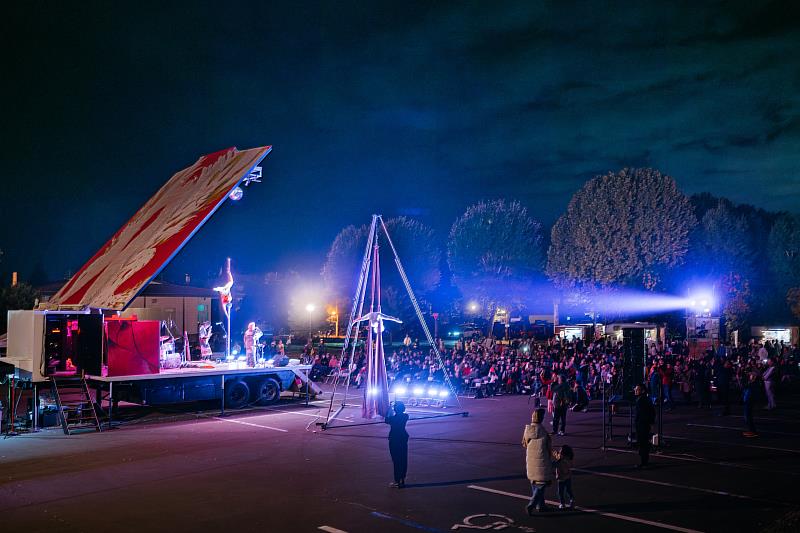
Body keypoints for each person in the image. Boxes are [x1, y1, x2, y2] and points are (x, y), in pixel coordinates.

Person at [523, 408, 555, 514]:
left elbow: (524, 444)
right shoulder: (544, 433)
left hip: (531, 460)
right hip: (542, 461)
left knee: (534, 483)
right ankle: (532, 504)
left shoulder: (528, 430)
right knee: (541, 485)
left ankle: (540, 506)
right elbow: (548, 449)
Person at [385, 401, 409, 488]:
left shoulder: (393, 419)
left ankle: (397, 481)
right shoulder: (406, 416)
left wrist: (389, 408)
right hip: (403, 438)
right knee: (403, 459)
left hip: (394, 439)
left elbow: (386, 419)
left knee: (396, 460)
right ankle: (402, 478)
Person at [634, 383, 655, 469]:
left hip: (642, 425)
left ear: (642, 391)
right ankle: (644, 461)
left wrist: (647, 422)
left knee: (643, 443)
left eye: (637, 389)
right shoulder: (643, 399)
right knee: (643, 443)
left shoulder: (642, 400)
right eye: (635, 389)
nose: (635, 390)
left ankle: (644, 463)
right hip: (643, 424)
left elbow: (647, 413)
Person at [554, 444, 575, 509]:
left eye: (560, 451)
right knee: (566, 491)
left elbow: (555, 464)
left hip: (562, 478)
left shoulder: (562, 460)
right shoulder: (565, 458)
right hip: (565, 478)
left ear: (563, 453)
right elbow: (556, 454)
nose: (559, 451)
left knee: (562, 492)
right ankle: (569, 501)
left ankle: (564, 503)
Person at [742, 371, 758, 437]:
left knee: (748, 416)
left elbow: (746, 387)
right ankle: (751, 430)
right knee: (748, 416)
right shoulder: (751, 383)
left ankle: (752, 431)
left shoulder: (753, 384)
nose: (750, 376)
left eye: (751, 375)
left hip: (749, 401)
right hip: (748, 400)